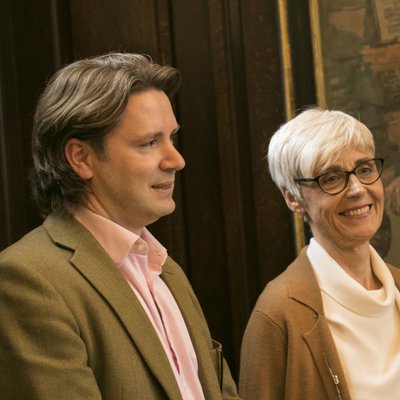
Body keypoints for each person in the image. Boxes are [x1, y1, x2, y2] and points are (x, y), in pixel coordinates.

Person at [0, 53, 239, 400]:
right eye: (149, 143)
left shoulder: (165, 270)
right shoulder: (27, 280)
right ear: (80, 158)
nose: (177, 160)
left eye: (172, 138)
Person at [239, 108, 400, 400]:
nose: (356, 189)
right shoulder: (277, 313)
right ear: (293, 198)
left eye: (364, 169)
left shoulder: (398, 286)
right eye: (331, 178)